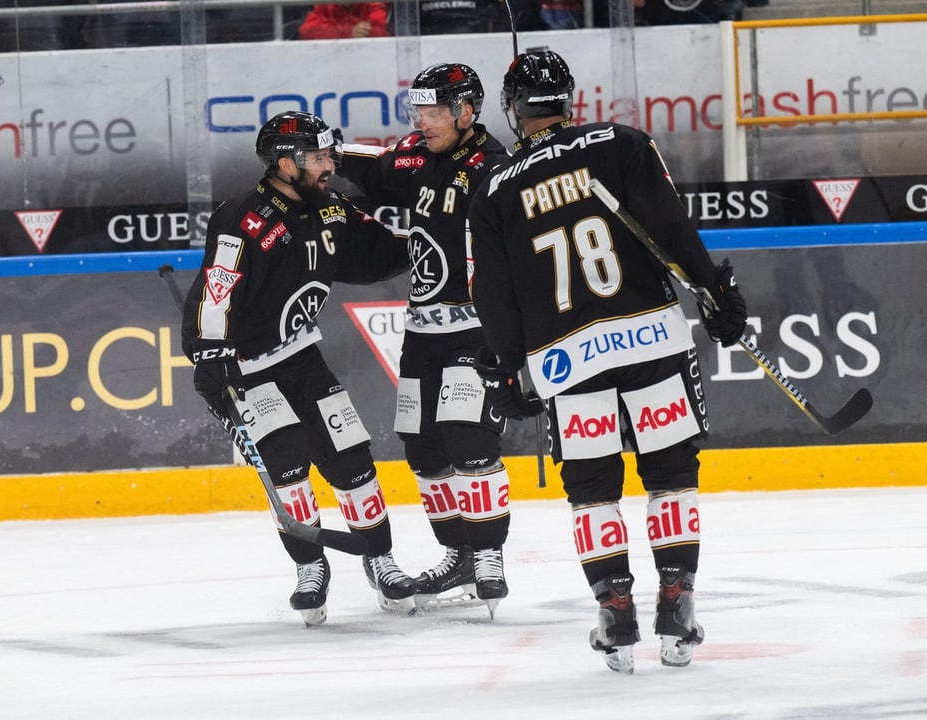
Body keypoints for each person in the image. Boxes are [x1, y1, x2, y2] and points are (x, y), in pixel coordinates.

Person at [468, 50, 748, 672]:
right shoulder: (623, 144)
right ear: (570, 99)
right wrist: (715, 293)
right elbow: (671, 229)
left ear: (514, 111)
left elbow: (493, 292)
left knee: (593, 489)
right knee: (672, 472)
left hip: (567, 362)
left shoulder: (494, 187)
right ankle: (677, 603)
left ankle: (615, 611)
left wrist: (513, 368)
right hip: (650, 340)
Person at [181, 111, 418, 626]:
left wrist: (425, 244)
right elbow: (216, 291)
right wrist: (210, 354)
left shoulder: (327, 207)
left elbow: (372, 254)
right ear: (285, 164)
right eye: (320, 157)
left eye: (330, 154)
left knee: (352, 459)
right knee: (287, 468)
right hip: (250, 367)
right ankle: (310, 568)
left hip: (302, 356)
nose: (331, 164)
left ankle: (381, 559)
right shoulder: (243, 218)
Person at [337, 63, 515, 617]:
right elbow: (375, 166)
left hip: (478, 328)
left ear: (466, 111)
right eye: (418, 111)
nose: (423, 120)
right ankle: (459, 552)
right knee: (423, 447)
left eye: (434, 111)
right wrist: (319, 152)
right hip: (422, 330)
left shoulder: (498, 168)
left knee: (469, 441)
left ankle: (488, 555)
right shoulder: (417, 153)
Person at [297, 3, 390, 39]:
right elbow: (307, 31)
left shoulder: (374, 3)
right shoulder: (325, 4)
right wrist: (349, 32)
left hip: (370, 60)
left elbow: (381, 31)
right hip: (331, 61)